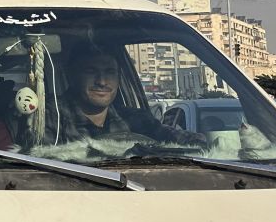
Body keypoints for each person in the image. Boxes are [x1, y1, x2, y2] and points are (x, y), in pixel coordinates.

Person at [46, 45, 209, 148]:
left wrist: (215, 144)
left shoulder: (135, 120)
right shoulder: (50, 119)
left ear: (119, 78)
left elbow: (179, 139)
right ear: (71, 76)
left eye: (110, 72)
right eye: (91, 71)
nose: (102, 82)